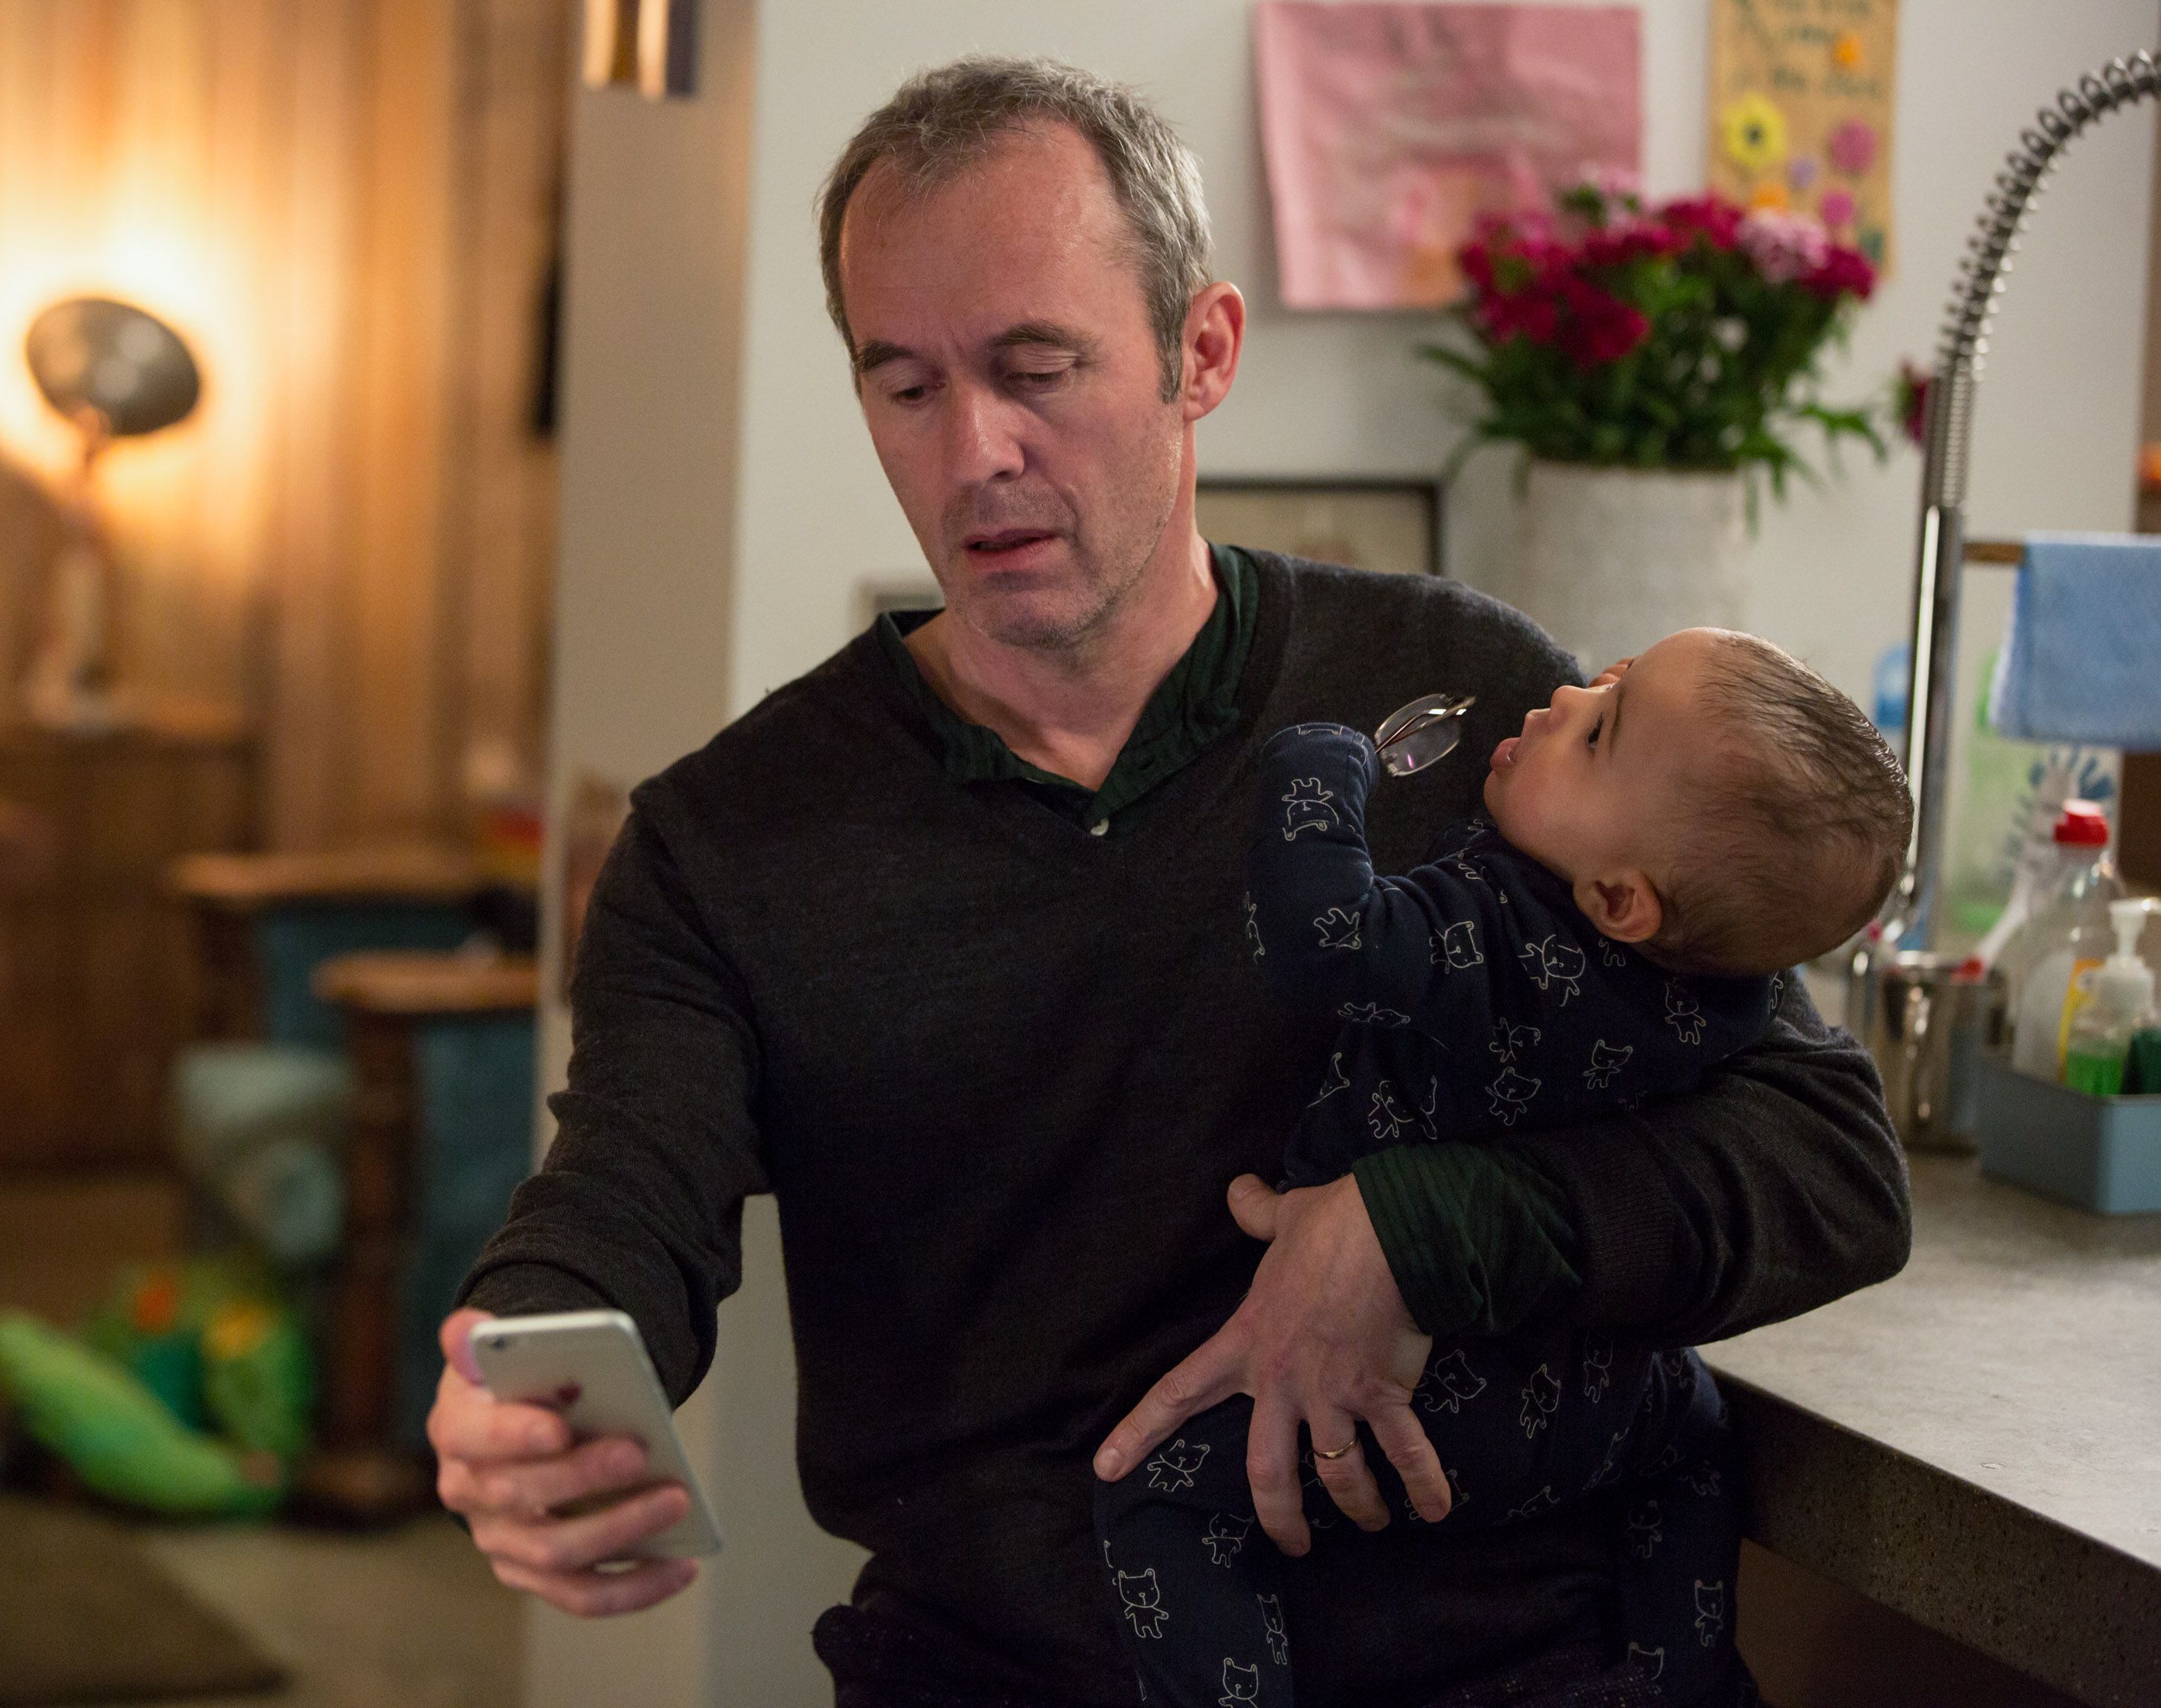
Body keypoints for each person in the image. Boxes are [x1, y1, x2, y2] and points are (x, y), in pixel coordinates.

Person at [427, 57, 1910, 1708]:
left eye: (1034, 368)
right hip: (1010, 1667)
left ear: (1200, 353)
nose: (972, 452)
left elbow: (1827, 1164)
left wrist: (1418, 1231)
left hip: (1526, 1662)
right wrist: (525, 1383)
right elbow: (619, 1200)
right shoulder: (725, 842)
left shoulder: (1471, 707)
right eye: (903, 386)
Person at [1097, 628, 1913, 1707]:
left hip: (1430, 1405)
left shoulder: (1486, 929)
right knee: (1696, 1439)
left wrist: (1316, 767)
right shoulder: (1725, 983)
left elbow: (1322, 934)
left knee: (1157, 1496)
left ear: (1620, 899)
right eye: (1607, 679)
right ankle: (1680, 1678)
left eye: (1599, 729)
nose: (1560, 699)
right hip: (1601, 1400)